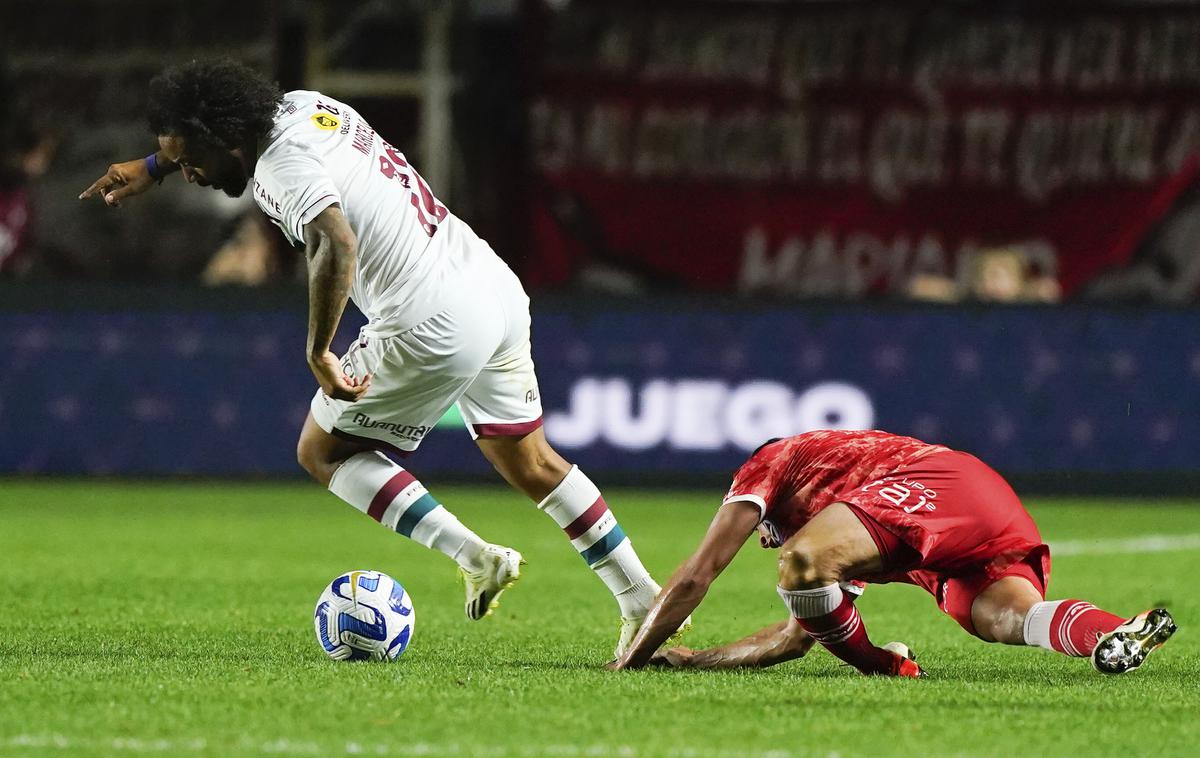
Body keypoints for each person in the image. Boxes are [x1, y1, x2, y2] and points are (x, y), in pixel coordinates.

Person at [80, 59, 663, 656]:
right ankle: (642, 599)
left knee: (321, 451)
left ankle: (476, 557)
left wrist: (318, 350)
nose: (190, 173)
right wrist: (153, 167)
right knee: (532, 461)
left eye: (188, 160)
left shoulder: (281, 168)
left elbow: (335, 240)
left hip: (429, 316)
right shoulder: (303, 107)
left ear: (227, 139)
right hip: (488, 283)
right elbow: (228, 149)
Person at [612, 430, 1176, 676]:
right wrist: (696, 659)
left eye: (764, 525)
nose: (764, 538)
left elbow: (696, 577)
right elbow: (793, 638)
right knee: (1005, 616)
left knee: (802, 563)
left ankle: (885, 668)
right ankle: (1113, 631)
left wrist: (630, 661)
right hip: (977, 507)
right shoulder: (847, 525)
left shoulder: (771, 462)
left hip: (938, 483)